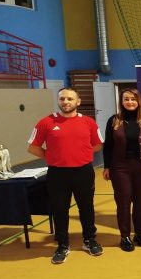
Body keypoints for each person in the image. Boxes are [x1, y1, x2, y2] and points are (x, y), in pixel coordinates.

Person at [28, 87, 104, 264]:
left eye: (70, 99)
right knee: (60, 209)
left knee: (86, 207)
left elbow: (98, 145)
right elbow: (33, 147)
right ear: (58, 101)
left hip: (83, 172)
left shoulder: (89, 122)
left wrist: (81, 154)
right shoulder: (46, 122)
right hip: (57, 173)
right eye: (62, 99)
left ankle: (89, 240)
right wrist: (52, 156)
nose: (66, 102)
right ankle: (62, 245)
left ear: (78, 102)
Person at [102, 88, 141, 252]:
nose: (130, 102)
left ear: (138, 101)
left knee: (140, 203)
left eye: (133, 99)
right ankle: (125, 236)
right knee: (123, 202)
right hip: (120, 168)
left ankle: (139, 234)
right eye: (126, 99)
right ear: (122, 101)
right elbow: (108, 145)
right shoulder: (114, 120)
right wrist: (107, 166)